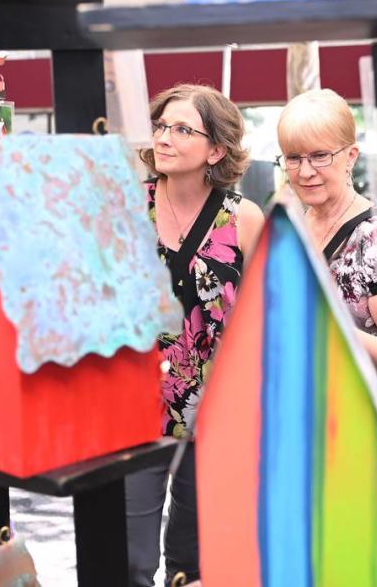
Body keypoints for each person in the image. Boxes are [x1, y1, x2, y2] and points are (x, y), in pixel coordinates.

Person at [126, 83, 264, 586]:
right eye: (161, 126)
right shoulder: (124, 207)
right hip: (131, 412)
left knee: (196, 560)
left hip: (216, 412)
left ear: (217, 149)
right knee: (128, 559)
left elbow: (264, 319)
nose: (164, 137)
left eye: (182, 129)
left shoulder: (244, 219)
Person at [276, 88, 377, 528]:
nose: (305, 171)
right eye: (293, 158)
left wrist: (327, 327)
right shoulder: (290, 225)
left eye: (319, 156)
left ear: (351, 156)